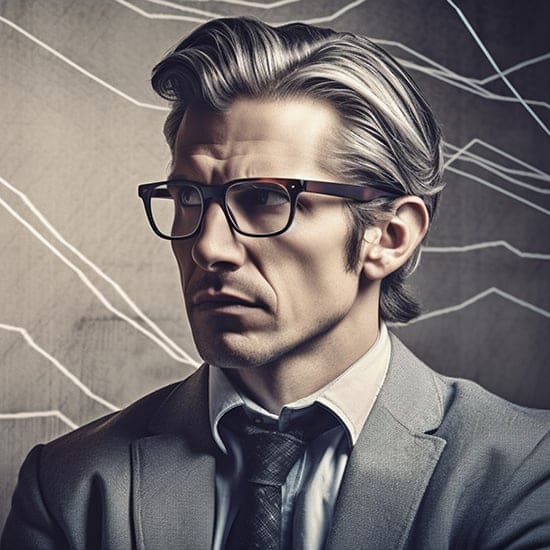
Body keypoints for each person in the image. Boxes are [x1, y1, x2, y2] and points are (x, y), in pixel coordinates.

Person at [2, 16, 549, 550]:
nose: (208, 247)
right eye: (190, 198)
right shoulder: (70, 486)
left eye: (265, 198)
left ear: (388, 236)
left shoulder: (526, 472)